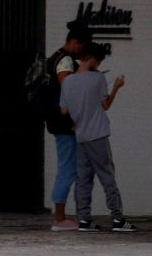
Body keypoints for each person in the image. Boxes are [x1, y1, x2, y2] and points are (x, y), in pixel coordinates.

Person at [58, 41, 136, 232]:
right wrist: (117, 86)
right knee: (107, 175)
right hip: (98, 134)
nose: (99, 65)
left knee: (84, 179)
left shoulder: (68, 81)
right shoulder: (97, 78)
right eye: (99, 61)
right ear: (92, 59)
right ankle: (118, 219)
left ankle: (84, 219)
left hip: (81, 135)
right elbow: (105, 105)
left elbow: (64, 110)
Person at [45, 25, 92, 231]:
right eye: (81, 46)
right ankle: (60, 217)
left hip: (60, 122)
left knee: (67, 168)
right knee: (67, 169)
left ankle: (61, 215)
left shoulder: (54, 57)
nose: (81, 51)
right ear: (74, 42)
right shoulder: (64, 60)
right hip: (64, 124)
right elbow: (69, 90)